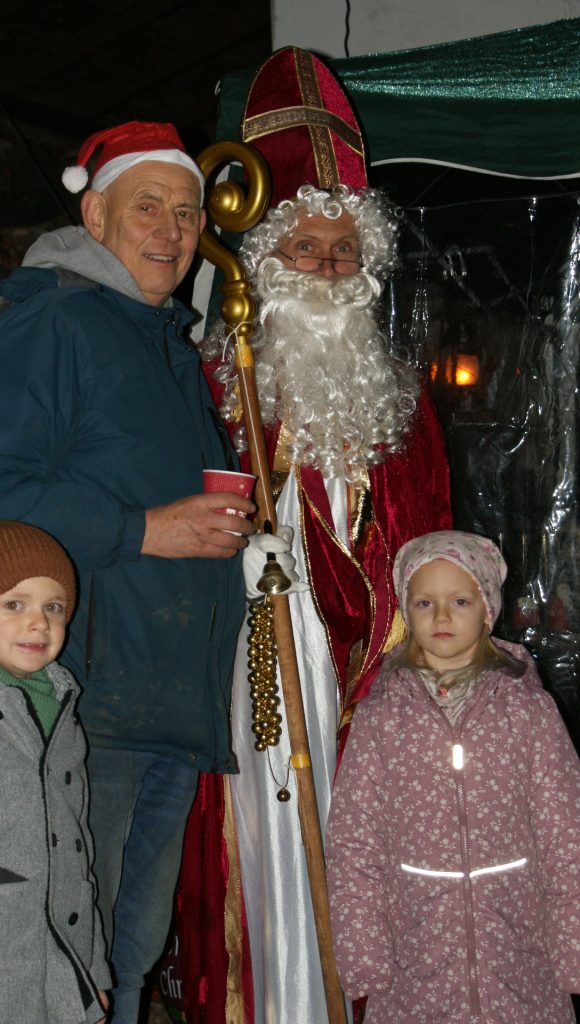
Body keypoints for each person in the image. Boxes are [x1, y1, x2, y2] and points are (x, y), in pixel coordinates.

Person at [176, 48, 452, 1024]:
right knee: (264, 853)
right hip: (255, 670)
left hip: (370, 680)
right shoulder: (214, 382)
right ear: (265, 260)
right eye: (307, 249)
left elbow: (431, 548)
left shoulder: (402, 407)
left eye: (344, 254)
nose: (329, 271)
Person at [0, 120, 256, 1023]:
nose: (172, 231)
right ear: (94, 214)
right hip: (86, 706)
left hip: (169, 707)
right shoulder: (56, 319)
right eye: (148, 207)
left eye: (187, 214)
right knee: (69, 969)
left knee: (128, 963)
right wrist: (143, 530)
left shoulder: (170, 344)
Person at [326, 529, 580, 1024]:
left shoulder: (529, 711)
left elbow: (566, 837)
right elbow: (354, 843)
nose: (441, 616)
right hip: (415, 966)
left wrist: (573, 950)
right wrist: (364, 960)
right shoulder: (381, 719)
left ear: (487, 610)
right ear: (407, 612)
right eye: (425, 602)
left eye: (459, 601)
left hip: (521, 963)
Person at [0, 519, 111, 1024]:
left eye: (54, 607)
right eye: (14, 605)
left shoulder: (63, 703)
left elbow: (77, 855)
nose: (39, 623)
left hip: (55, 960)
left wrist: (92, 976)